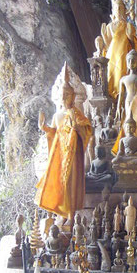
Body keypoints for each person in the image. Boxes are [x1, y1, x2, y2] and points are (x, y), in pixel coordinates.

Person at [36, 66, 92, 227]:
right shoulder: (58, 115)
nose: (63, 97)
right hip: (60, 155)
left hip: (73, 155)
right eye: (62, 95)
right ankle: (61, 212)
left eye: (67, 94)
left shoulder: (77, 114)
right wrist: (44, 128)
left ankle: (71, 215)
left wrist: (76, 125)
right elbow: (54, 133)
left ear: (73, 96)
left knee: (71, 184)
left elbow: (87, 130)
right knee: (60, 184)